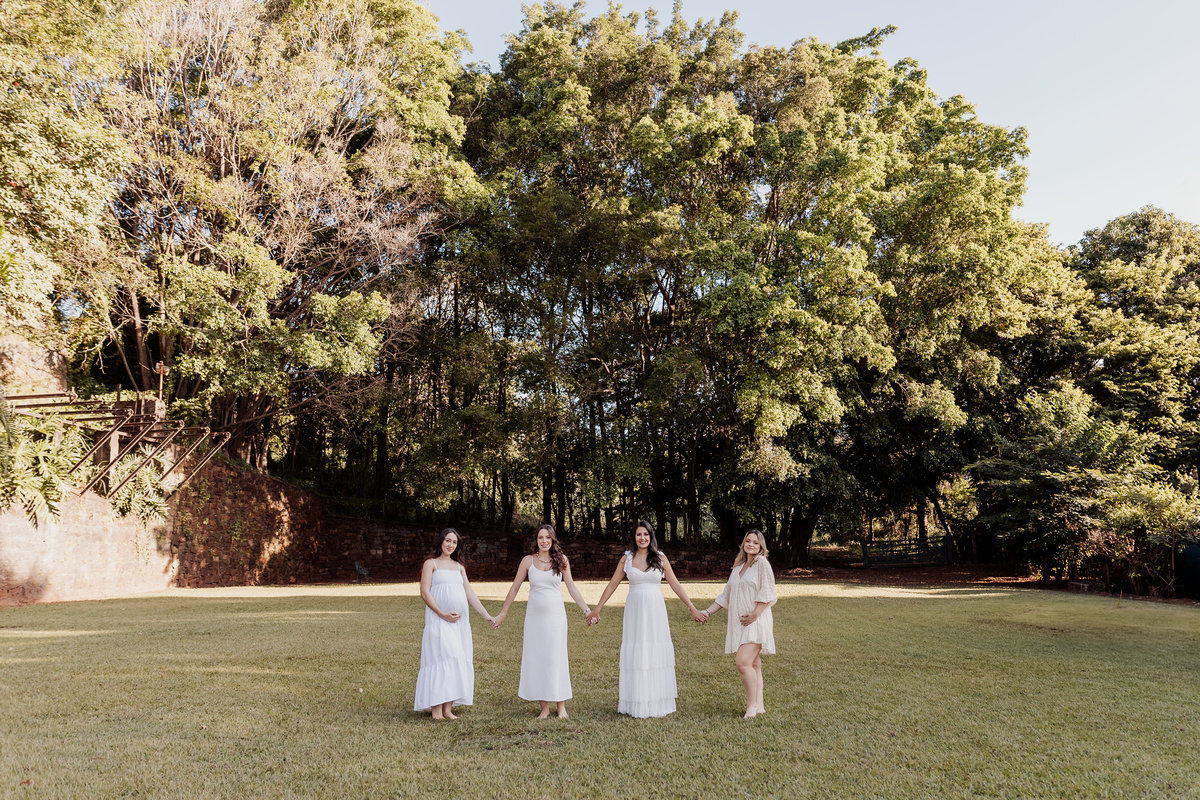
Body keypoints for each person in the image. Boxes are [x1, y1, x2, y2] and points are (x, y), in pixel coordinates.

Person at [586, 520, 707, 718]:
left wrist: (692, 607)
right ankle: (637, 701)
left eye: (646, 534)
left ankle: (658, 701)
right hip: (635, 610)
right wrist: (597, 609)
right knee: (637, 649)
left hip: (655, 610)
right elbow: (612, 585)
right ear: (634, 537)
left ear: (651, 537)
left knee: (655, 649)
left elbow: (675, 584)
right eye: (638, 534)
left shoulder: (660, 558)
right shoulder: (626, 558)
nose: (642, 538)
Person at [494, 524, 591, 719]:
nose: (544, 541)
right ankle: (545, 708)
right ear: (536, 540)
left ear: (553, 539)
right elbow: (514, 588)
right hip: (534, 619)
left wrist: (587, 610)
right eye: (540, 537)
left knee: (556, 658)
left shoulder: (561, 560)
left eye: (548, 537)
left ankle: (561, 706)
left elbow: (571, 587)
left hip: (556, 618)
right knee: (538, 659)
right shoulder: (527, 561)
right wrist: (503, 613)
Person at [413, 528, 496, 720]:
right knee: (440, 660)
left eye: (454, 542)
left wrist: (486, 615)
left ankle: (447, 709)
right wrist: (442, 613)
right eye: (448, 541)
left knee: (457, 660)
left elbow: (469, 593)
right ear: (441, 541)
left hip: (459, 622)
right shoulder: (430, 564)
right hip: (438, 620)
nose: (451, 545)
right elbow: (425, 592)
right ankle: (436, 711)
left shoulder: (459, 567)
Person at [698, 529, 777, 719]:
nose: (751, 544)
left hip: (756, 621)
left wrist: (754, 615)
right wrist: (707, 612)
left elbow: (769, 594)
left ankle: (752, 706)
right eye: (748, 541)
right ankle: (760, 706)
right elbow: (726, 596)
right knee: (754, 664)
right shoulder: (737, 568)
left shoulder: (762, 564)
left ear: (761, 546)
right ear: (743, 544)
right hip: (740, 623)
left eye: (755, 542)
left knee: (742, 663)